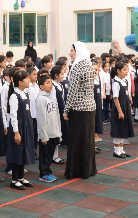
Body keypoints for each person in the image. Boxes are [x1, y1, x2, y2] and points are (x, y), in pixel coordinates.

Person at [63, 42, 97, 179]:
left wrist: (66, 110)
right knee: (88, 140)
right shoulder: (89, 65)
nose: (70, 53)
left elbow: (72, 92)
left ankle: (75, 171)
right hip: (90, 107)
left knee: (76, 141)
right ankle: (88, 170)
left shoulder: (77, 67)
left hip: (78, 109)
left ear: (78, 52)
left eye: (72, 50)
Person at [7, 69, 35, 189]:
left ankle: (21, 177)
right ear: (20, 82)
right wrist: (16, 132)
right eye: (27, 78)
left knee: (24, 152)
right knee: (17, 153)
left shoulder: (26, 93)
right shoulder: (15, 96)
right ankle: (14, 180)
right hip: (18, 128)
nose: (29, 80)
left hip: (27, 126)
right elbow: (13, 116)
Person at [36, 74, 60, 183]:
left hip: (54, 131)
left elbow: (57, 116)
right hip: (46, 133)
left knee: (50, 154)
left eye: (51, 82)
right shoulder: (41, 99)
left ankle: (48, 170)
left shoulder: (52, 98)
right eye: (47, 83)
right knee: (44, 154)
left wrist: (59, 132)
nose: (51, 85)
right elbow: (41, 118)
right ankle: (43, 173)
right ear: (41, 86)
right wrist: (43, 135)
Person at [110, 61, 135, 157]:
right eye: (124, 70)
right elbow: (116, 98)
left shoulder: (123, 81)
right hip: (119, 109)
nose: (126, 72)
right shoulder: (116, 83)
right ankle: (117, 150)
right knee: (118, 129)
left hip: (125, 107)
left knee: (123, 128)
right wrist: (120, 111)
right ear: (118, 71)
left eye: (127, 70)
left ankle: (121, 149)